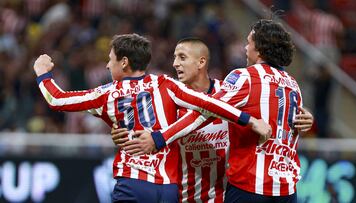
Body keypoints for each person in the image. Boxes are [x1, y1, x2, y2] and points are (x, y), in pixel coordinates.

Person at [33, 33, 271, 202]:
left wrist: (42, 73)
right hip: (169, 188)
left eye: (110, 59)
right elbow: (210, 104)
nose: (107, 65)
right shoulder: (165, 84)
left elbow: (58, 100)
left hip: (133, 183)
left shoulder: (106, 93)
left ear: (124, 62)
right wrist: (249, 120)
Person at [120, 19, 308, 203]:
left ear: (258, 49)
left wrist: (159, 138)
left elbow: (207, 109)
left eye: (248, 43)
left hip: (248, 185)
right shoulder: (293, 85)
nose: (244, 48)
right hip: (286, 188)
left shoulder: (243, 78)